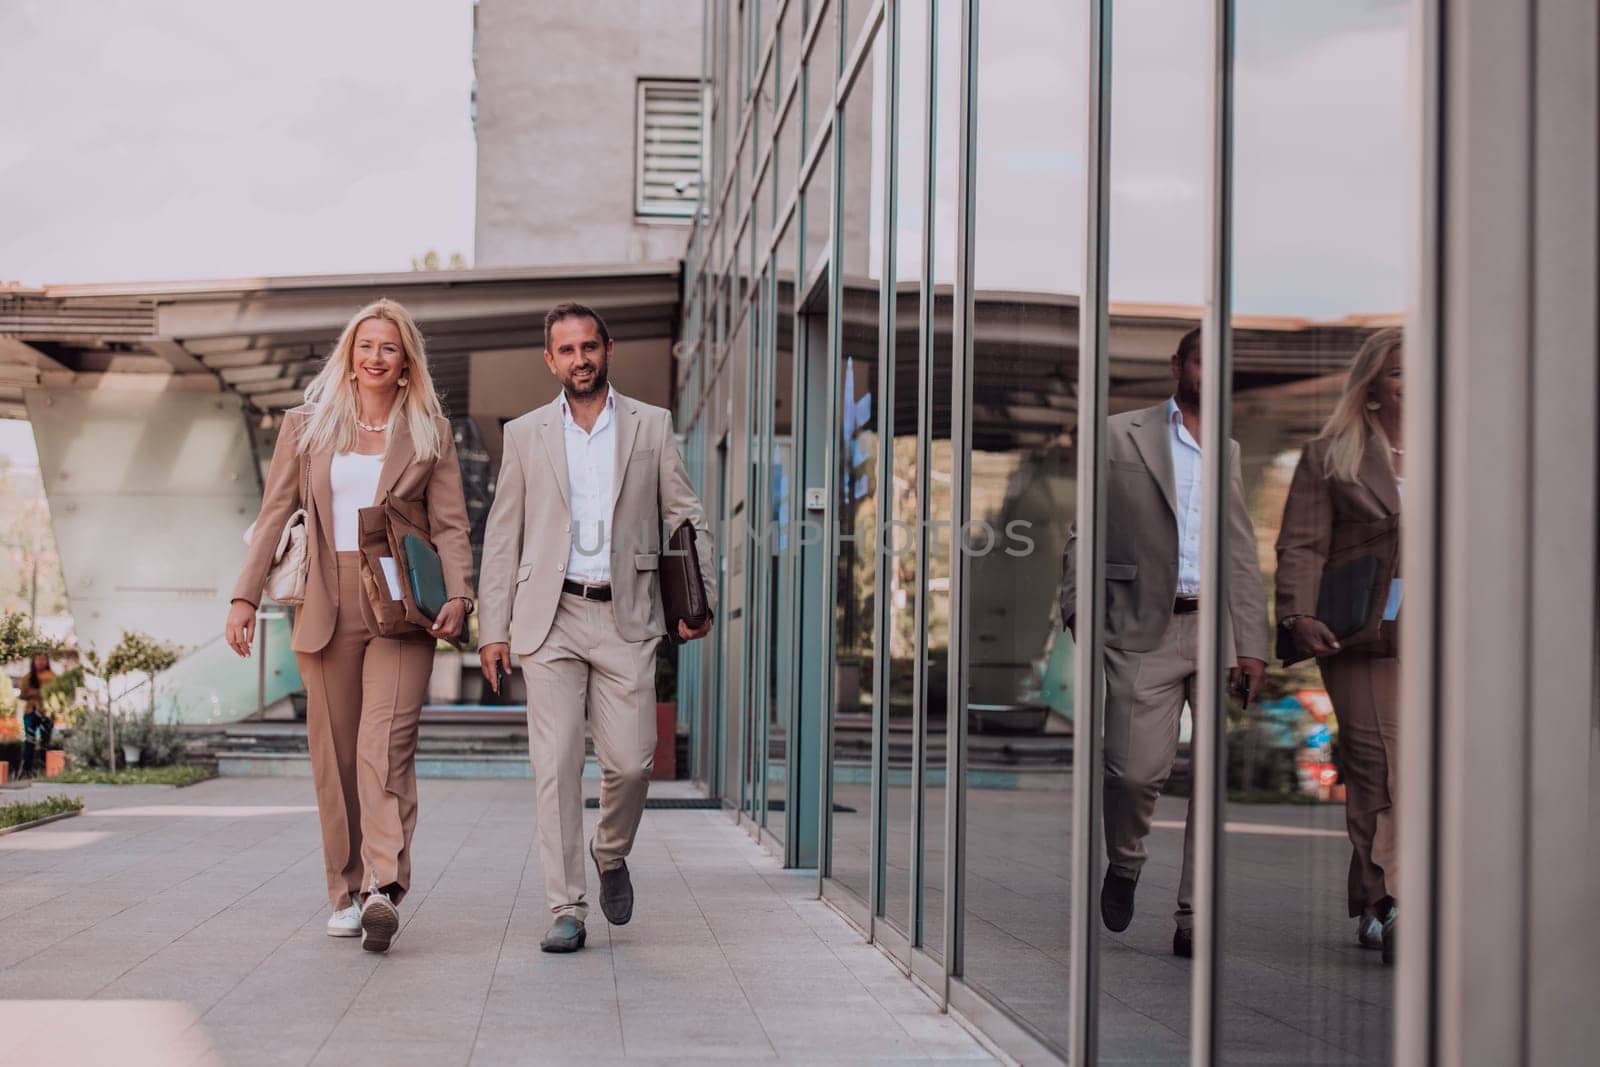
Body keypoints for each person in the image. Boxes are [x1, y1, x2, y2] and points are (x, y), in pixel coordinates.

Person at [224, 299, 474, 953]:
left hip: (399, 606)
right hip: (325, 602)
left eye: (389, 347)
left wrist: (460, 594)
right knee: (334, 755)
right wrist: (243, 597)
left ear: (405, 360)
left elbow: (449, 524)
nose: (376, 356)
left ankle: (381, 889)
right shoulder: (307, 425)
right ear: (350, 353)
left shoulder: (429, 431)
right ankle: (344, 889)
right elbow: (275, 511)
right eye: (366, 344)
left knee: (385, 744)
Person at [477, 301, 716, 954]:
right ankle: (566, 906)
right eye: (566, 349)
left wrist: (700, 601)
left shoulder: (651, 425)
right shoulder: (525, 434)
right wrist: (491, 627)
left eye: (589, 346)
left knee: (633, 762)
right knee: (555, 765)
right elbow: (503, 536)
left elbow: (686, 515)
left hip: (627, 614)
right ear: (549, 359)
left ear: (607, 349)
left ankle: (610, 850)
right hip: (548, 619)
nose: (579, 358)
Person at [1060, 326, 1270, 959]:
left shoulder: (1228, 450)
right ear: (1179, 364)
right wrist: (1077, 606)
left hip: (1214, 630)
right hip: (1139, 628)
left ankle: (1192, 917)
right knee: (1131, 772)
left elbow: (1238, 549)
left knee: (1210, 780)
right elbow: (1084, 529)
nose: (1212, 371)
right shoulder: (1119, 433)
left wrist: (1251, 642)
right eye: (1203, 359)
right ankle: (1125, 864)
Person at [1275, 325, 1403, 966]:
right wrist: (1297, 613)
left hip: (1452, 638)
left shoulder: (1470, 447)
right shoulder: (1332, 454)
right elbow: (1301, 544)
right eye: (1403, 371)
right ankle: (1394, 902)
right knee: (1378, 765)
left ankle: (1375, 893)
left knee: (1420, 771)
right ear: (1375, 389)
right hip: (1362, 634)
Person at [19, 653, 56, 778]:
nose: (40, 662)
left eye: (43, 659)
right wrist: (34, 693)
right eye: (37, 659)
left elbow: (57, 692)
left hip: (47, 712)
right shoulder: (28, 677)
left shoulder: (52, 677)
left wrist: (42, 693)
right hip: (30, 712)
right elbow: (22, 695)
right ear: (33, 661)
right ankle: (26, 771)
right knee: (29, 741)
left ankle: (43, 771)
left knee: (45, 742)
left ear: (47, 661)